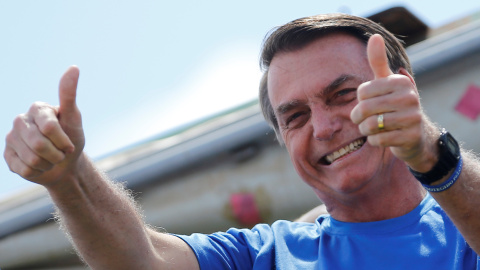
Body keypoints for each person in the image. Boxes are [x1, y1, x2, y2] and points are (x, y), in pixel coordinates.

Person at [4, 13, 480, 269]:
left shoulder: (464, 216)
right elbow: (140, 263)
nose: (324, 126)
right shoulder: (265, 257)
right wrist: (68, 177)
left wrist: (432, 156)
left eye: (342, 94)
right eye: (294, 116)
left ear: (402, 90)